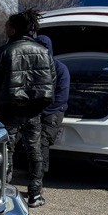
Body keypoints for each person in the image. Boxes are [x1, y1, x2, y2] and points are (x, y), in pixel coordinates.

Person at [0, 9, 55, 208]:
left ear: (13, 29)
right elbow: (52, 81)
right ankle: (35, 194)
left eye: (7, 25)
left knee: (7, 150)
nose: (4, 28)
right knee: (35, 150)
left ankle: (5, 192)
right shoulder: (43, 52)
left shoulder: (3, 52)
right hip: (34, 110)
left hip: (8, 109)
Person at [35, 34, 70, 183]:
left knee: (42, 141)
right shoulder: (33, 68)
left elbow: (62, 97)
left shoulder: (60, 69)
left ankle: (39, 179)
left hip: (53, 111)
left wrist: (43, 112)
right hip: (36, 110)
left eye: (44, 48)